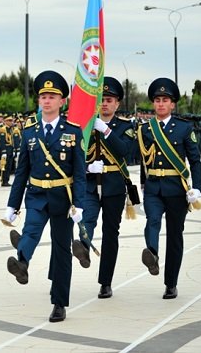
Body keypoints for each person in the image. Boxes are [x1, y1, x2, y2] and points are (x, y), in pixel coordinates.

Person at [3, 70, 87, 323]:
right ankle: (22, 263)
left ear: (62, 101)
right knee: (30, 231)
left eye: (52, 96)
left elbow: (80, 173)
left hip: (63, 197)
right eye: (43, 97)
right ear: (39, 101)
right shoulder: (29, 131)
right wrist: (12, 205)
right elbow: (21, 172)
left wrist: (79, 204)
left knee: (61, 250)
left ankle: (59, 303)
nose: (47, 101)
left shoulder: (73, 131)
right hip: (37, 194)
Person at [71, 76, 137, 299]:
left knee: (111, 234)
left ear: (117, 103)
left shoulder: (126, 127)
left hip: (114, 188)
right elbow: (76, 156)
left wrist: (106, 131)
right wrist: (89, 168)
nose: (105, 104)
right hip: (90, 184)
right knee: (87, 219)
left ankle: (105, 282)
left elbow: (125, 151)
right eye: (102, 100)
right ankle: (84, 251)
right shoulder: (85, 127)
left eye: (110, 100)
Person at [138, 77, 201, 299]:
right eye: (157, 100)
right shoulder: (145, 129)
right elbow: (143, 161)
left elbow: (195, 160)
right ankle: (152, 254)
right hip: (154, 187)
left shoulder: (184, 128)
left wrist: (198, 188)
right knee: (152, 221)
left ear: (172, 104)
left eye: (165, 100)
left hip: (177, 189)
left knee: (175, 236)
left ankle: (171, 283)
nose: (160, 104)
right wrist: (141, 186)